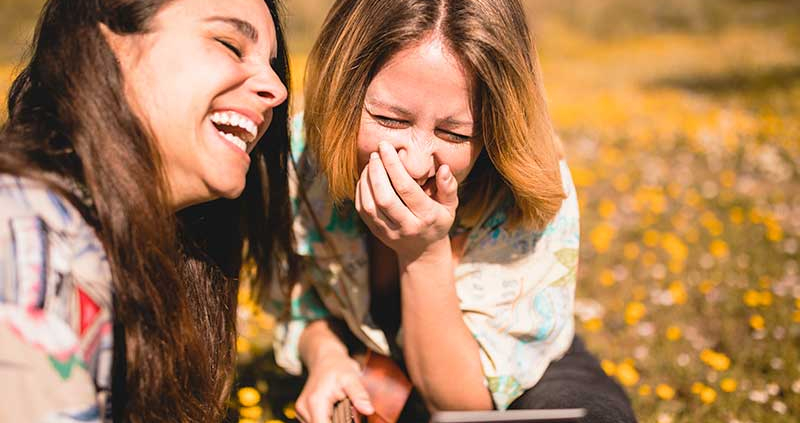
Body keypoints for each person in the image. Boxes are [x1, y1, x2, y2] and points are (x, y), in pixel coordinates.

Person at [268, 0, 638, 422]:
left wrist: (422, 253)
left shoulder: (526, 189)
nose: (417, 163)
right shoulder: (299, 158)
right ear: (343, 94)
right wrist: (327, 357)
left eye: (453, 132)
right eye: (390, 119)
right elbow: (300, 304)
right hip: (375, 362)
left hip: (504, 377)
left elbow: (462, 406)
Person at [0, 0, 296, 422]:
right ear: (107, 47)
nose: (278, 90)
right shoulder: (27, 243)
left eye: (270, 63)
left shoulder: (144, 255)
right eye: (229, 44)